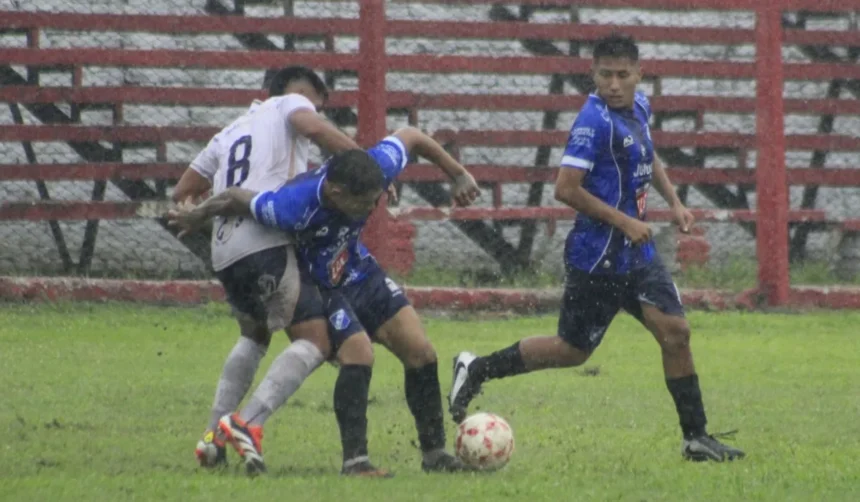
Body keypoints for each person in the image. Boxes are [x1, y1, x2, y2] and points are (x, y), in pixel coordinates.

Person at [446, 33, 745, 462]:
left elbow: (648, 156)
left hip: (637, 256)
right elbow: (565, 189)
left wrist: (675, 202)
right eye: (606, 75)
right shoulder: (592, 121)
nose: (614, 84)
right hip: (598, 256)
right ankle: (476, 367)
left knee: (676, 333)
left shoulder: (639, 108)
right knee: (572, 351)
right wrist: (625, 221)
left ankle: (695, 438)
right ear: (594, 74)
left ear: (640, 75)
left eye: (624, 75)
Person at [168, 127, 481, 475]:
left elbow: (411, 136)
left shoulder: (374, 166)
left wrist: (458, 173)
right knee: (359, 352)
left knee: (421, 350)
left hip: (359, 270)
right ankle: (356, 462)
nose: (371, 208)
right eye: (363, 203)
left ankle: (434, 454)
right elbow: (236, 197)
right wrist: (198, 215)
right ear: (335, 191)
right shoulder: (293, 205)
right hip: (321, 287)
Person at [171, 65, 372, 475]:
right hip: (266, 238)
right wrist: (366, 167)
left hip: (226, 251)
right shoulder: (289, 103)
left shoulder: (228, 131)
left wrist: (204, 216)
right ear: (293, 92)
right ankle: (250, 424)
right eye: (316, 100)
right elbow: (313, 127)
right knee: (315, 340)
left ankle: (212, 438)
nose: (316, 109)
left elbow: (182, 194)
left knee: (255, 335)